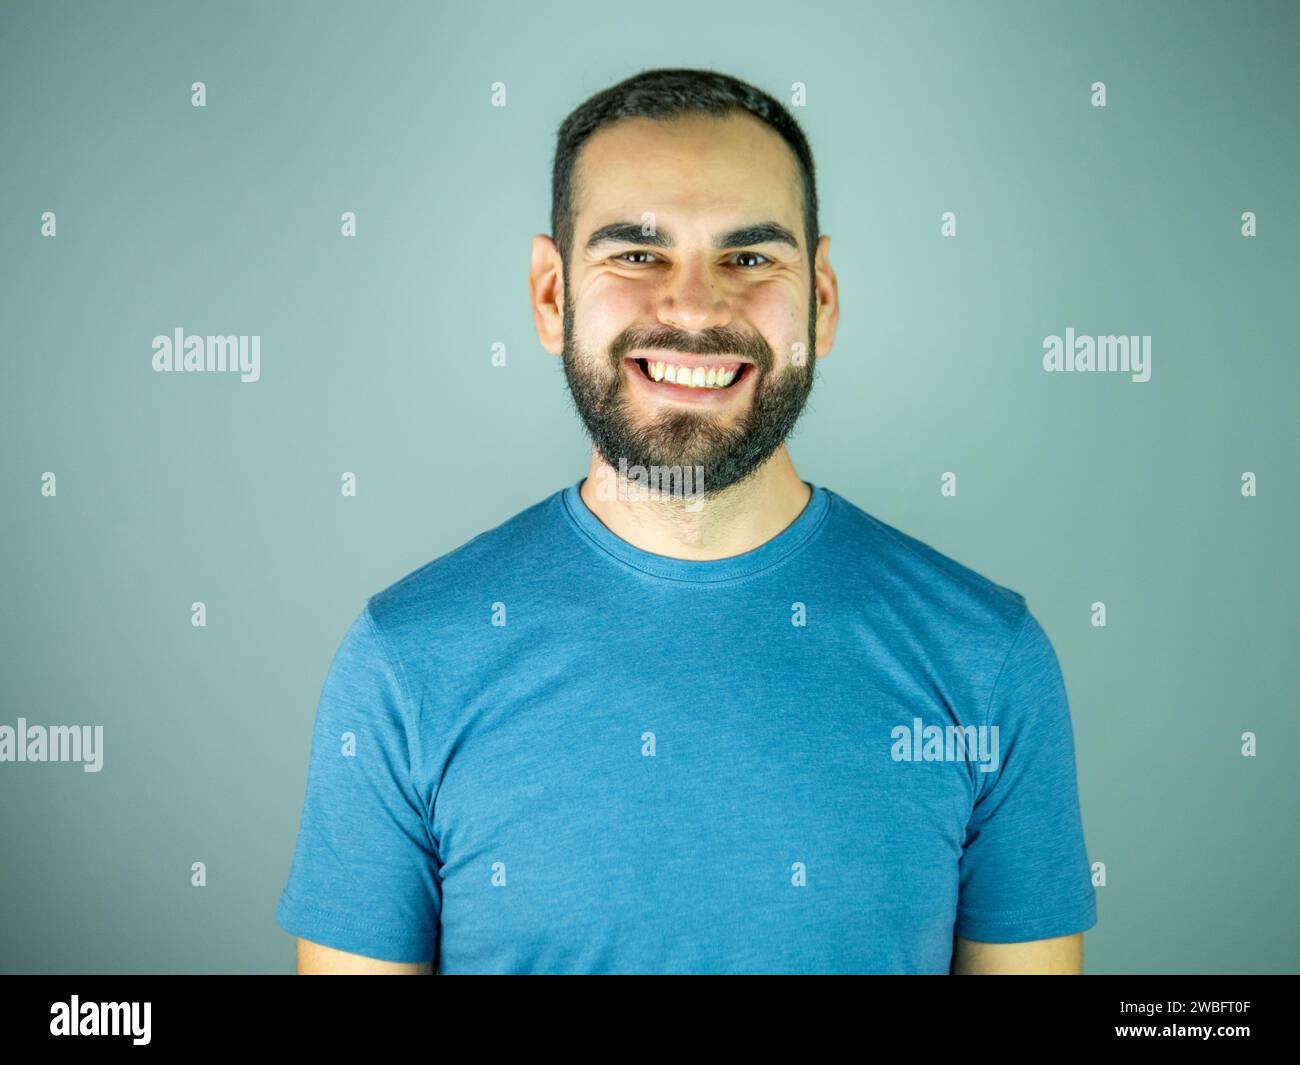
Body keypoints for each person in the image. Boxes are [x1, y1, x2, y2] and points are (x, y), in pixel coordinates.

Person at [276, 67, 1097, 975]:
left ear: (820, 297)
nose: (697, 307)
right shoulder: (404, 660)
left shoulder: (987, 660)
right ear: (552, 295)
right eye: (637, 253)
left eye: (750, 258)